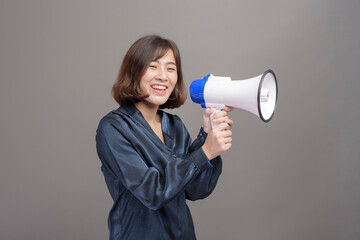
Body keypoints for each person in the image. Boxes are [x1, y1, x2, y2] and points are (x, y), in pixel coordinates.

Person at [96, 35, 233, 240]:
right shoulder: (113, 128)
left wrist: (207, 134)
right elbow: (152, 193)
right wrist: (204, 152)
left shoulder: (174, 126)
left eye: (170, 69)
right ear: (134, 72)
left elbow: (196, 190)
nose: (163, 76)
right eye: (153, 67)